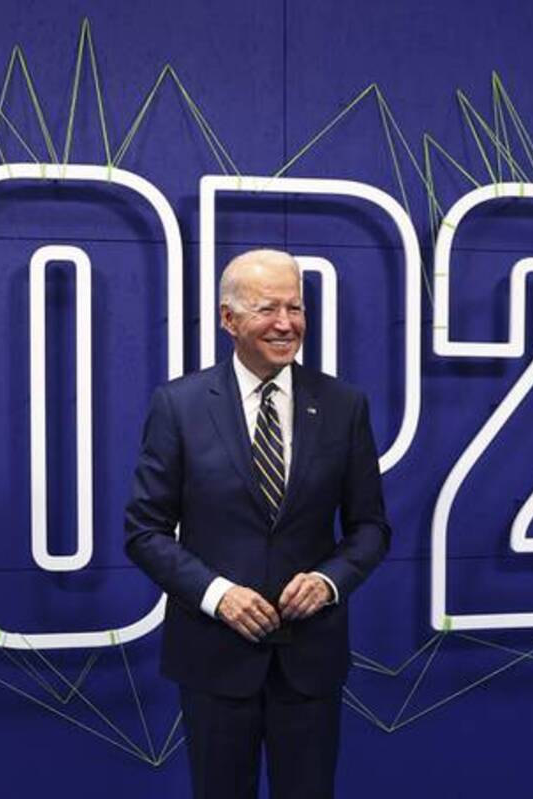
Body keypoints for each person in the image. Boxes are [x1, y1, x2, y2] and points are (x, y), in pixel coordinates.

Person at [124, 248, 390, 798]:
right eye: (269, 308)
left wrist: (328, 581)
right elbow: (144, 531)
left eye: (296, 307)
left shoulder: (344, 405)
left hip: (310, 665)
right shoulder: (179, 405)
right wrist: (218, 594)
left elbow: (370, 528)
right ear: (229, 320)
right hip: (214, 660)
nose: (286, 323)